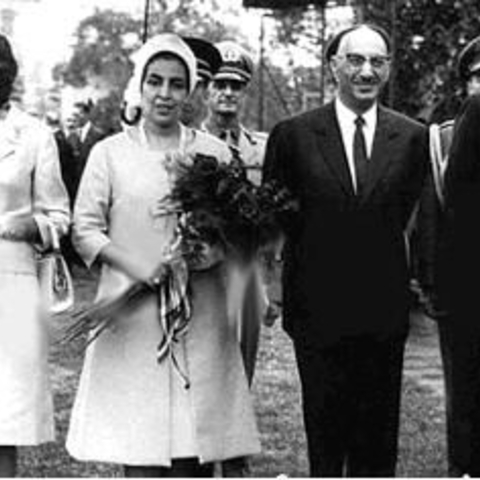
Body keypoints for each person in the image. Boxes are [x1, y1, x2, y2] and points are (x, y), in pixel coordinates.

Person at [66, 32, 260, 478]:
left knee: (192, 448)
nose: (165, 94)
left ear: (191, 90)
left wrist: (205, 252)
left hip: (201, 314)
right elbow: (85, 231)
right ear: (140, 85)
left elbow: (238, 232)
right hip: (133, 316)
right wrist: (139, 266)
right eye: (155, 81)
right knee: (143, 450)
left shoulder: (211, 153)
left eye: (176, 83)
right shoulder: (109, 154)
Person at [262, 24, 429, 477]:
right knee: (326, 439)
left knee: (377, 447)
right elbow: (273, 222)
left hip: (383, 313)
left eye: (377, 62)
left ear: (389, 69)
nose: (366, 71)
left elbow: (421, 220)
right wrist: (273, 287)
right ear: (335, 64)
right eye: (355, 60)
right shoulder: (293, 136)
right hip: (318, 313)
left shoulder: (413, 138)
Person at [0, 34, 70, 477]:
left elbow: (59, 214)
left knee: (5, 414)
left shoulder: (33, 135)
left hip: (11, 283)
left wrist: (33, 226)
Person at [424, 35, 480, 477]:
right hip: (467, 290)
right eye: (478, 77)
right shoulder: (449, 136)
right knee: (467, 399)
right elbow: (445, 216)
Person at [63, 97, 108, 204]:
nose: (77, 117)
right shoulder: (71, 137)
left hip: (92, 189)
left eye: (80, 114)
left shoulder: (99, 135)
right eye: (76, 114)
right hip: (73, 191)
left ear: (88, 115)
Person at [181, 37, 222, 129]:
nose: (188, 95)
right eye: (180, 85)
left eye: (196, 86)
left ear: (206, 92)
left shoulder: (212, 143)